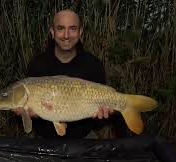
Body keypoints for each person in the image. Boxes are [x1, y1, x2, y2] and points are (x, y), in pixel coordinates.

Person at [13, 9, 120, 139]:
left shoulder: (93, 65)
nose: (66, 35)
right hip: (43, 137)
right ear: (52, 32)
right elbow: (28, 123)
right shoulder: (37, 64)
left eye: (73, 29)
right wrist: (27, 114)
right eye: (60, 28)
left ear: (80, 32)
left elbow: (98, 125)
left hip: (82, 137)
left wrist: (102, 115)